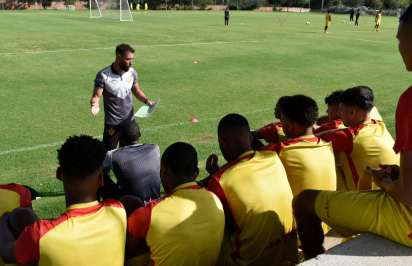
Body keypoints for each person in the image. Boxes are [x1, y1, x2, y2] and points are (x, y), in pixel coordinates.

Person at [293, 5, 412, 258]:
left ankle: (312, 259)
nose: (399, 46)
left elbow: (407, 194)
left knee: (303, 202)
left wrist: (388, 182)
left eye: (401, 38)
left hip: (408, 219)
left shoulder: (410, 100)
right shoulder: (375, 118)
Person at [0, 135, 127, 265]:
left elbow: (6, 254)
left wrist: (3, 220)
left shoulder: (41, 235)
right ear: (101, 179)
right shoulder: (118, 211)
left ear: (59, 174)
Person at [201, 114, 295, 265]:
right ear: (251, 139)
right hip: (287, 251)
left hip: (249, 260)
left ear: (223, 143)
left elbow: (230, 225)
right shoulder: (272, 156)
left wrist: (215, 175)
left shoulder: (219, 180)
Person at [123, 142, 225, 266]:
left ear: (164, 168)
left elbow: (125, 251)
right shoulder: (215, 199)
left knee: (129, 203)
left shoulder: (147, 214)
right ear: (196, 173)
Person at [317, 86, 399, 191]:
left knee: (329, 158)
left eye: (341, 110)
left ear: (352, 112)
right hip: (394, 189)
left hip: (363, 198)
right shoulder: (377, 121)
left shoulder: (349, 137)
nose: (340, 114)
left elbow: (309, 142)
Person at [260, 95, 336, 198]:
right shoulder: (328, 146)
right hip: (327, 209)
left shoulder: (279, 151)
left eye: (283, 120)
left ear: (289, 125)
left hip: (297, 212)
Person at [91, 43, 155, 151]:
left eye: (132, 59)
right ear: (118, 57)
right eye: (128, 59)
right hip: (113, 122)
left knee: (129, 153)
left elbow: (137, 91)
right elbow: (96, 96)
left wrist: (146, 100)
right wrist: (95, 104)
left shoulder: (132, 73)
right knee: (107, 155)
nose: (131, 63)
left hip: (130, 122)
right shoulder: (103, 75)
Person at [101, 120, 161, 203]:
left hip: (131, 208)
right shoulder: (154, 148)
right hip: (155, 205)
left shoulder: (114, 155)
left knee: (99, 173)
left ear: (120, 139)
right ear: (140, 134)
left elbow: (94, 163)